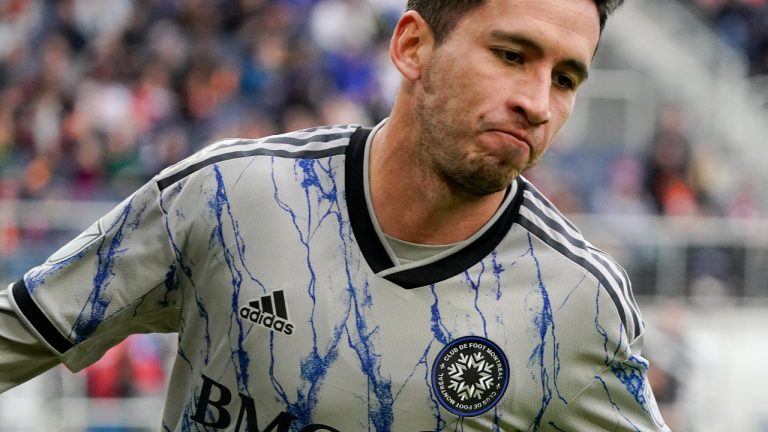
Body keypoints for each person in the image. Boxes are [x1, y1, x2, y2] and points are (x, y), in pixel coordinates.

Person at [0, 0, 670, 430]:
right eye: (512, 55)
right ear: (412, 46)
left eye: (566, 78)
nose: (538, 101)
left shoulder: (578, 302)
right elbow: (20, 333)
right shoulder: (232, 194)